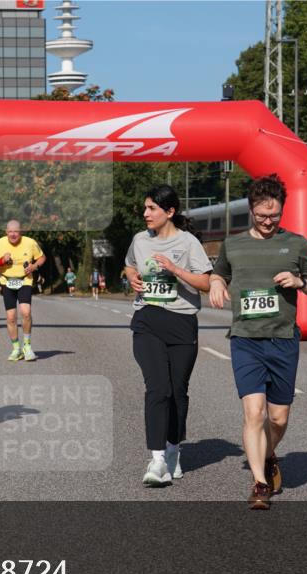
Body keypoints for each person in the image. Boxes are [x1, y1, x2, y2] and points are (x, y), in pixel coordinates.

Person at [209, 174, 307, 509]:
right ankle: (260, 484)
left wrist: (299, 281)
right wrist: (217, 283)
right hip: (245, 339)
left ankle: (268, 453)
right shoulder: (233, 245)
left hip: (283, 338)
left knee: (278, 418)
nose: (268, 221)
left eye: (274, 215)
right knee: (254, 413)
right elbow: (219, 272)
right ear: (251, 210)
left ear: (282, 211)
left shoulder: (297, 244)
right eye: (262, 215)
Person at [125, 185, 212, 487]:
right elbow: (129, 265)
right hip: (147, 319)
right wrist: (132, 277)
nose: (146, 214)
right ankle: (157, 459)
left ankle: (174, 448)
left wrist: (175, 269)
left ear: (170, 212)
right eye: (145, 208)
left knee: (177, 391)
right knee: (157, 388)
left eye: (152, 208)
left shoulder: (188, 243)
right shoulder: (139, 239)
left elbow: (205, 282)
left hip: (181, 321)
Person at [0, 219, 46, 361]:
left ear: (20, 232)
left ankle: (27, 346)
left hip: (25, 280)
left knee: (26, 313)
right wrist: (1, 261)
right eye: (10, 232)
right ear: (6, 232)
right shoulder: (0, 243)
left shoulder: (30, 242)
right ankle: (16, 349)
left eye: (16, 231)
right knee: (11, 317)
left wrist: (34, 266)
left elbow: (42, 257)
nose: (13, 234)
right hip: (7, 281)